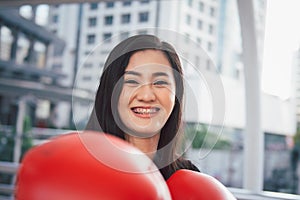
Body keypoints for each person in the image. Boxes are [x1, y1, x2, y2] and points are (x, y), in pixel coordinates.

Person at [85, 34, 199, 180]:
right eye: (132, 81)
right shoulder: (81, 168)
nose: (146, 96)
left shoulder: (187, 177)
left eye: (160, 82)